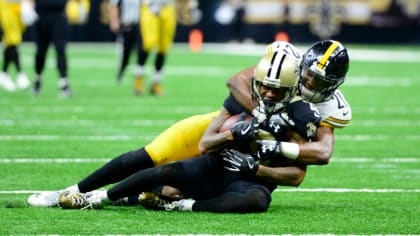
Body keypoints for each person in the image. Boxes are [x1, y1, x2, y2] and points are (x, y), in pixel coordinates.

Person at [27, 40, 351, 207]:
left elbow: (321, 152)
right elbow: (236, 80)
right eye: (307, 73)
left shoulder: (329, 107)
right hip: (226, 127)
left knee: (182, 185)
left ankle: (139, 197)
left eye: (318, 80)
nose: (308, 82)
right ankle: (70, 192)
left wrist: (277, 143)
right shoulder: (285, 66)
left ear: (335, 84)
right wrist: (263, 114)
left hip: (256, 156)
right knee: (152, 154)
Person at [134, 0, 176, 96]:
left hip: (168, 6)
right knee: (148, 43)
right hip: (150, 6)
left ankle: (156, 82)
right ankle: (139, 79)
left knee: (164, 47)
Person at [32, 0, 72, 97]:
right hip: (41, 16)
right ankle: (38, 79)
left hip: (59, 15)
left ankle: (63, 82)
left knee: (60, 49)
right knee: (41, 51)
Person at [0, 0, 36, 92]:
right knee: (13, 39)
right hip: (7, 4)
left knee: (12, 41)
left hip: (21, 5)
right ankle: (20, 73)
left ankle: (4, 74)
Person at [108, 0, 143, 85]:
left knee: (141, 50)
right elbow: (113, 5)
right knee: (126, 53)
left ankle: (139, 76)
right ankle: (121, 72)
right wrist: (114, 19)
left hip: (140, 25)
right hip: (126, 24)